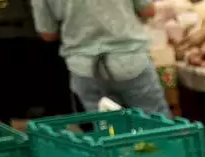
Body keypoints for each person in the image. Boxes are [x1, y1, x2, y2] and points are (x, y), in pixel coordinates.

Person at [32, 0, 171, 116]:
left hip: (85, 68)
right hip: (130, 60)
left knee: (107, 131)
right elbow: (148, 10)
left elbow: (48, 34)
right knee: (156, 124)